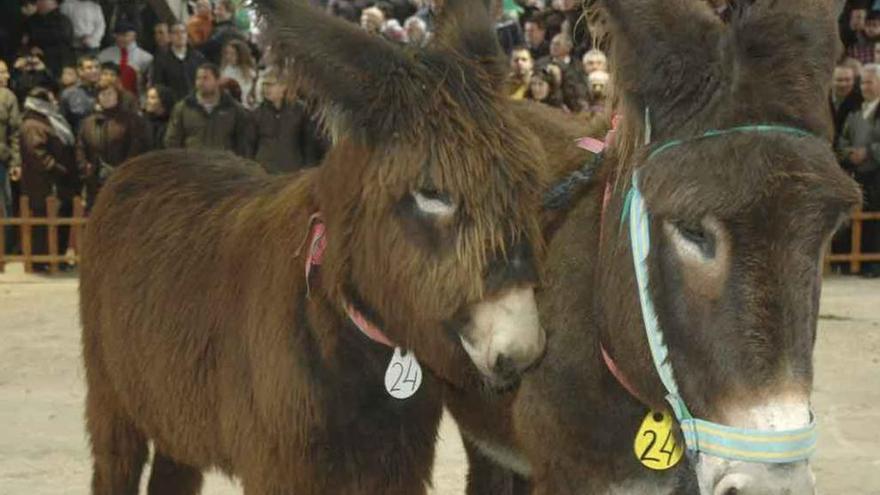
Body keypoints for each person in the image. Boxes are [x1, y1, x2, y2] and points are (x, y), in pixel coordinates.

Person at [19, 87, 78, 272]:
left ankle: (57, 257)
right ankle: (41, 260)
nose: (55, 102)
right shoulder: (33, 124)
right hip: (46, 183)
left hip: (60, 182)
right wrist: (57, 168)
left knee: (59, 219)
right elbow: (37, 153)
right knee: (44, 222)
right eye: (51, 99)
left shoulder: (50, 120)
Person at [76, 84, 150, 211]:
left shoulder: (131, 120)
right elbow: (80, 146)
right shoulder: (88, 122)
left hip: (124, 179)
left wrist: (125, 169)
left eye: (110, 94)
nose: (106, 97)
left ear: (118, 96)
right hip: (95, 180)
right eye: (103, 94)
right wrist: (84, 167)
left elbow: (137, 147)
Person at [838, 63, 880, 277]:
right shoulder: (854, 114)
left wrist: (870, 152)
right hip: (858, 175)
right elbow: (842, 141)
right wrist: (848, 153)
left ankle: (875, 264)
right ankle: (855, 263)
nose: (864, 87)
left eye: (869, 82)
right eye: (862, 82)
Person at [164, 63, 252, 156]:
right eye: (198, 78)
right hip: (193, 165)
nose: (201, 82)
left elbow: (243, 142)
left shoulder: (233, 108)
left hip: (223, 165)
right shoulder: (183, 107)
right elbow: (172, 140)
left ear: (217, 80)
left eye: (206, 78)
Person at [251, 73, 325, 174]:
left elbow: (309, 142)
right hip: (264, 172)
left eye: (270, 85)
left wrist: (308, 166)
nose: (266, 89)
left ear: (283, 86)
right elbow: (249, 145)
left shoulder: (300, 111)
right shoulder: (256, 113)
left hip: (293, 172)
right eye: (264, 85)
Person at [151, 22, 207, 102]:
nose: (180, 35)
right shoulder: (161, 60)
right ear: (170, 36)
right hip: (173, 106)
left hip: (197, 104)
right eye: (176, 33)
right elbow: (158, 85)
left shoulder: (198, 57)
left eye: (183, 32)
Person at [97, 21, 153, 97]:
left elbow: (149, 83)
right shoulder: (104, 55)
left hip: (136, 98)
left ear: (134, 36)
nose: (121, 38)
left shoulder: (146, 58)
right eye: (118, 35)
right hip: (108, 97)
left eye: (125, 35)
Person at [0, 60, 21, 254]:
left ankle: (4, 249)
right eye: (2, 72)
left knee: (4, 204)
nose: (6, 76)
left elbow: (15, 132)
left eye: (6, 72)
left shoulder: (8, 97)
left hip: (1, 160)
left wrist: (16, 161)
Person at [22, 0, 74, 78]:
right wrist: (30, 48)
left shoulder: (63, 20)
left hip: (59, 62)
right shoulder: (31, 21)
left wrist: (44, 50)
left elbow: (64, 40)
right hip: (37, 63)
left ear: (53, 2)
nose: (38, 2)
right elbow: (25, 41)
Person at [199, 0, 246, 64]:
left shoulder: (226, 31)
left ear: (230, 13)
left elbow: (208, 46)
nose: (216, 12)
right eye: (215, 9)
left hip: (218, 68)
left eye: (220, 9)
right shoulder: (226, 28)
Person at [831, 64, 864, 147]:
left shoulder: (860, 99)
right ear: (831, 80)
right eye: (839, 80)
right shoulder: (822, 98)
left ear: (853, 81)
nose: (843, 84)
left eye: (847, 80)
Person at [220, 39, 257, 109]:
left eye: (232, 54)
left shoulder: (250, 73)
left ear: (240, 55)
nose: (229, 57)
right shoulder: (224, 70)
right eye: (227, 53)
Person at [143, 84, 175, 149]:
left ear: (163, 100)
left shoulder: (173, 122)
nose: (147, 101)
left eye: (152, 98)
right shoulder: (143, 121)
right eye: (147, 97)